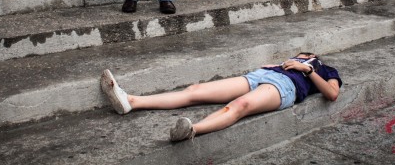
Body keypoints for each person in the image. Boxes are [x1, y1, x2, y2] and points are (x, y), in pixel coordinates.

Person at [100, 52, 342, 142]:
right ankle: (132, 101)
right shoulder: (294, 57)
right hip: (260, 76)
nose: (305, 55)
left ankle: (192, 130)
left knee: (240, 105)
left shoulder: (325, 69)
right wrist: (276, 65)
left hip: (286, 86)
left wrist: (308, 70)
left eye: (309, 55)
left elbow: (331, 93)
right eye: (303, 55)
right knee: (195, 91)